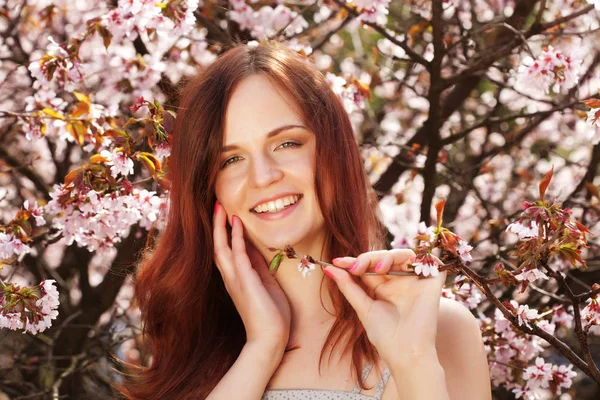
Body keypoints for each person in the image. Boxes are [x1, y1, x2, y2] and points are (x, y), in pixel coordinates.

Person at [117, 41, 492, 400]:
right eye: (230, 160)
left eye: (287, 144)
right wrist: (262, 347)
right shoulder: (194, 341)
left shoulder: (437, 329)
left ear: (334, 151)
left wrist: (413, 361)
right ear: (208, 188)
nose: (263, 177)